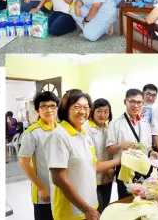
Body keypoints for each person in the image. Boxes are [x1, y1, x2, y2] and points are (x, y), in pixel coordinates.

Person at [44, 90, 121, 220]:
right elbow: (59, 179)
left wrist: (121, 160)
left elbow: (94, 165)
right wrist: (85, 208)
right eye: (77, 107)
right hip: (71, 210)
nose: (82, 111)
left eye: (86, 107)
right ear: (65, 108)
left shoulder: (84, 134)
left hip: (90, 203)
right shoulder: (59, 136)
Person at [106, 88, 158, 200]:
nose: (136, 105)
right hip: (125, 169)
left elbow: (148, 146)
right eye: (132, 102)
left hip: (144, 168)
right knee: (126, 200)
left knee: (145, 199)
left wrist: (151, 152)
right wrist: (120, 145)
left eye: (139, 102)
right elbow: (110, 150)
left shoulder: (145, 123)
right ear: (125, 102)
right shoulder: (115, 123)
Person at [19, 91, 60, 220]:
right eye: (44, 106)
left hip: (62, 190)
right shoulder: (32, 132)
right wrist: (41, 187)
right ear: (37, 110)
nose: (49, 110)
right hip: (44, 191)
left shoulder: (62, 130)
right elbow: (23, 162)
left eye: (52, 106)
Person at [83, 98, 113, 214]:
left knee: (105, 208)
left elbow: (111, 150)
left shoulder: (109, 127)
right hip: (92, 178)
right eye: (99, 111)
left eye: (106, 111)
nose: (103, 115)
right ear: (92, 111)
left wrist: (110, 170)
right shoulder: (86, 128)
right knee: (96, 211)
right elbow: (91, 155)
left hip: (108, 176)